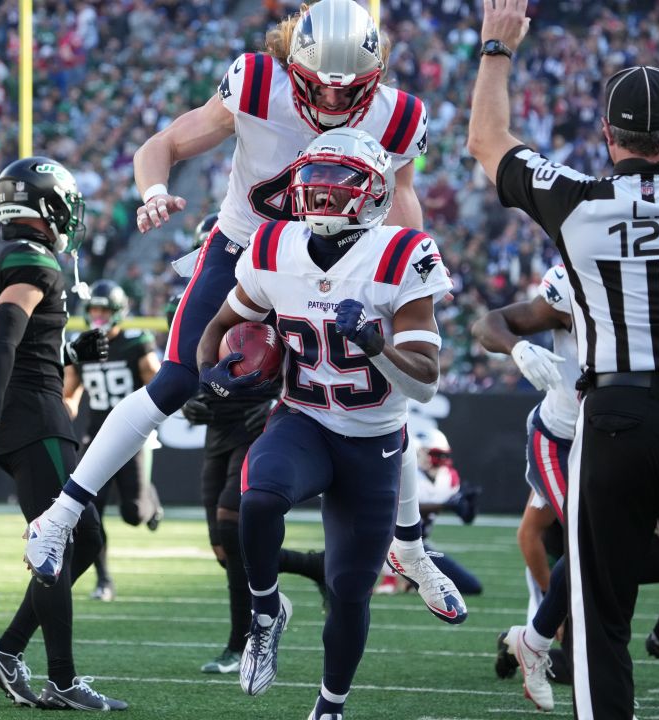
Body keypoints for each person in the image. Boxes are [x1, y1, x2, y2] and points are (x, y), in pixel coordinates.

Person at [25, 0, 465, 630]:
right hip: (246, 253)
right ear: (297, 67)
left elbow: (403, 198)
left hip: (336, 258)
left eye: (352, 96)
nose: (336, 108)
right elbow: (166, 144)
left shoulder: (399, 117)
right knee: (175, 379)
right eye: (321, 90)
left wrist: (403, 276)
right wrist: (152, 194)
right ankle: (59, 516)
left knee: (375, 399)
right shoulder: (261, 83)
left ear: (377, 77)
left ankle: (413, 550)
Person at [468, 3, 659, 717]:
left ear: (606, 133)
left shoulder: (578, 203)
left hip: (614, 417)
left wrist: (498, 45)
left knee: (601, 619)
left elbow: (487, 140)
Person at [197, 128, 453, 719]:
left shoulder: (401, 254)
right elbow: (217, 326)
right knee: (258, 500)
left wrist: (374, 345)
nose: (320, 192)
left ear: (373, 192)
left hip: (372, 441)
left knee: (349, 589)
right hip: (304, 419)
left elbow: (424, 380)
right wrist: (214, 379)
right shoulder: (273, 245)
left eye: (338, 180)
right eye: (311, 178)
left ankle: (330, 705)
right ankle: (266, 611)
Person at [0, 157, 125, 711]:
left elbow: (23, 343)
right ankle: (63, 680)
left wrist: (72, 352)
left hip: (28, 410)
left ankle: (6, 651)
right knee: (62, 542)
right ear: (49, 204)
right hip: (30, 417)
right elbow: (4, 339)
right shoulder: (32, 257)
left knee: (88, 537)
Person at [473, 265, 659, 711]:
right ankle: (544, 640)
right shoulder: (576, 279)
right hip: (563, 438)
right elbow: (488, 324)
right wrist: (518, 349)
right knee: (592, 542)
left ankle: (545, 639)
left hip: (623, 436)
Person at [176, 217, 328, 676]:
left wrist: (276, 403)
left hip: (259, 422)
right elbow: (187, 368)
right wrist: (192, 403)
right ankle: (312, 567)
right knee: (226, 548)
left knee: (231, 527)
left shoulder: (272, 295)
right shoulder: (192, 304)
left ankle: (243, 642)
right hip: (218, 429)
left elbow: (305, 356)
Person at [62, 279, 164, 603]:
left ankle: (151, 500)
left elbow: (159, 384)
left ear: (119, 312)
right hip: (96, 436)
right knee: (90, 510)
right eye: (94, 309)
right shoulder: (82, 345)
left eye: (105, 310)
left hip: (133, 434)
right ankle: (104, 579)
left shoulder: (137, 343)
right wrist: (61, 413)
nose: (98, 316)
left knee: (134, 514)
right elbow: (71, 393)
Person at [375, 426, 483, 596]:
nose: (441, 460)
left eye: (445, 455)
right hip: (393, 542)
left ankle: (412, 579)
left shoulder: (447, 477)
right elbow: (400, 508)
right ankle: (392, 578)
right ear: (418, 452)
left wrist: (469, 507)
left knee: (470, 586)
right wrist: (445, 505)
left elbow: (466, 518)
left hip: (420, 546)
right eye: (436, 455)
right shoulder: (402, 473)